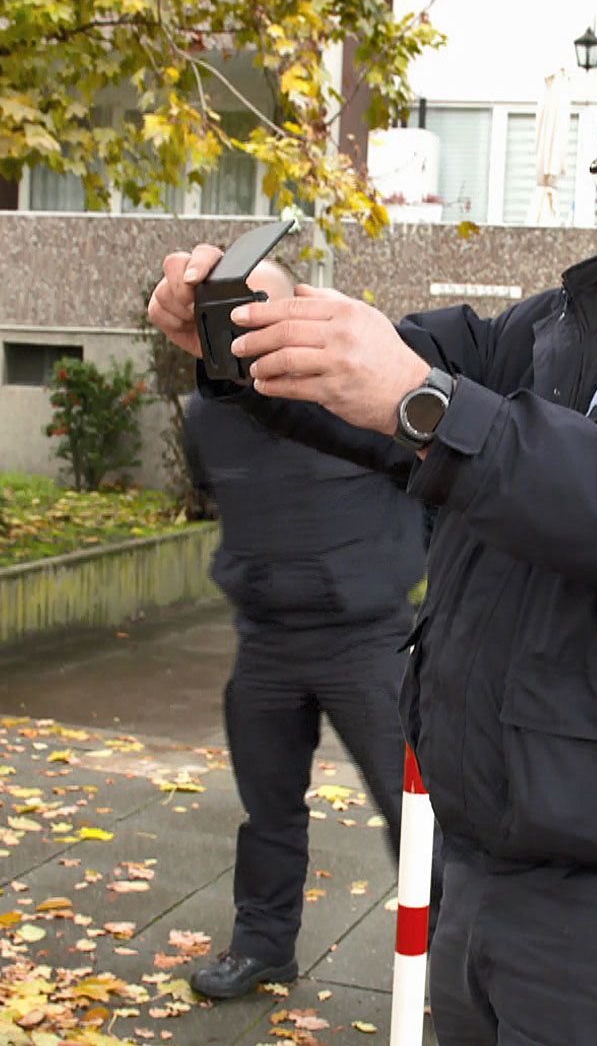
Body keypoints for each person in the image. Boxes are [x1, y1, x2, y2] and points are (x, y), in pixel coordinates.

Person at [147, 56, 597, 1045]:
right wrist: (265, 333)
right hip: (484, 851)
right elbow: (397, 384)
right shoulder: (566, 327)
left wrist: (429, 403)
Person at [181, 262, 430, 1001]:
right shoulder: (210, 414)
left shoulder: (359, 396)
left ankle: (461, 968)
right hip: (264, 644)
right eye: (234, 309)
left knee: (414, 814)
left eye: (265, 303)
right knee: (268, 810)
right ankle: (263, 947)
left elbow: (439, 482)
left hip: (368, 642)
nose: (248, 320)